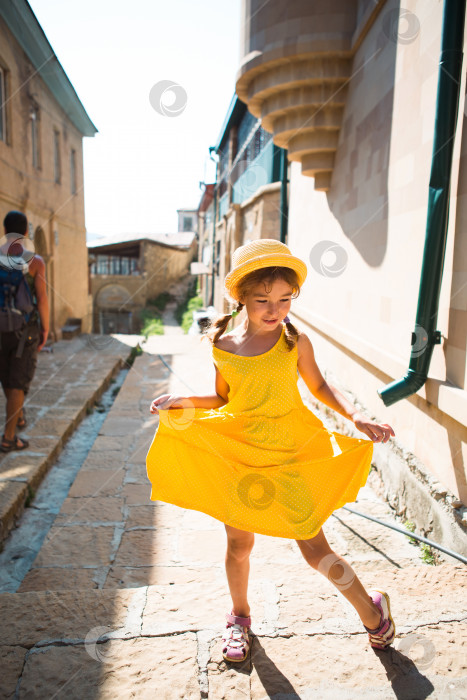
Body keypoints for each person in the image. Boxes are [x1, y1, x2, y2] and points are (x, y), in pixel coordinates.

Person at [146, 239, 396, 663]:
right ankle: (239, 619)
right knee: (239, 545)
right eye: (262, 299)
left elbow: (319, 386)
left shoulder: (293, 342)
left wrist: (355, 417)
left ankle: (374, 616)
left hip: (289, 453)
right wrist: (182, 403)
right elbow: (223, 398)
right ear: (240, 296)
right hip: (240, 450)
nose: (274, 309)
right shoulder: (223, 343)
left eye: (284, 299)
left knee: (315, 548)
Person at [0, 211, 49, 452]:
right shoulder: (34, 262)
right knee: (18, 381)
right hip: (24, 332)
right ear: (27, 231)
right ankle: (9, 438)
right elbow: (42, 299)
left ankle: (17, 417)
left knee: (7, 376)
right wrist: (46, 329)